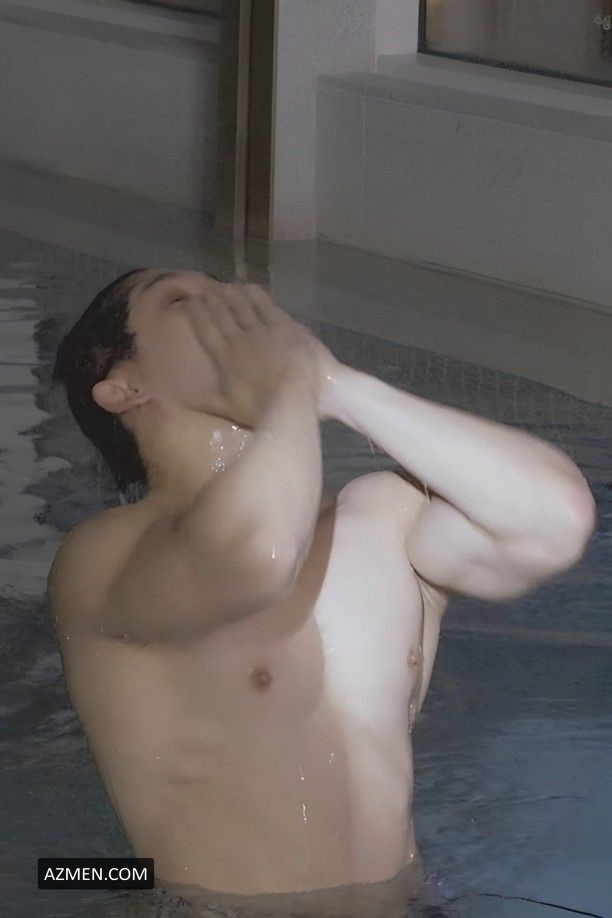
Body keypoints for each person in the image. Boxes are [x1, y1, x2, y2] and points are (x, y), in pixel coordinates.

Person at [49, 268, 595, 911]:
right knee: (71, 874)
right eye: (180, 298)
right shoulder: (102, 555)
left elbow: (555, 524)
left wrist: (336, 387)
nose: (230, 301)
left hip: (410, 904)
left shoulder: (380, 519)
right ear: (124, 388)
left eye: (225, 286)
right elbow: (256, 557)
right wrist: (285, 391)